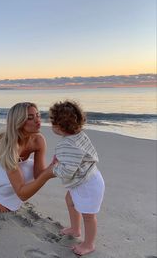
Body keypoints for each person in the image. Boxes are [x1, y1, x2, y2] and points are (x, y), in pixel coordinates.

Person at [0, 102, 54, 212]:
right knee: (20, 178)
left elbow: (38, 175)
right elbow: (22, 193)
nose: (37, 120)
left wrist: (54, 168)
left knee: (31, 169)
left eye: (38, 115)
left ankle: (2, 199)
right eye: (30, 118)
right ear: (18, 122)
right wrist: (47, 174)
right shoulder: (7, 143)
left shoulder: (38, 140)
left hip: (4, 168)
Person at [49, 100, 105, 256]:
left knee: (88, 215)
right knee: (70, 201)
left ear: (59, 126)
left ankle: (89, 244)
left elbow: (67, 171)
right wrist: (62, 157)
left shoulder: (67, 144)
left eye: (52, 121)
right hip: (86, 178)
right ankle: (75, 229)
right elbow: (80, 154)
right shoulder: (79, 135)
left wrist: (56, 167)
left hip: (88, 184)